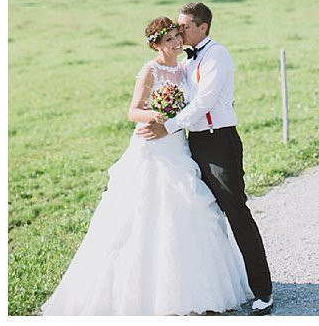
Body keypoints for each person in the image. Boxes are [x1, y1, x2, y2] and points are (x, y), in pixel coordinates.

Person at [41, 18, 252, 316]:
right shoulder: (150, 70)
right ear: (156, 44)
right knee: (146, 211)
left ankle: (199, 288)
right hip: (153, 146)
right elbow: (132, 111)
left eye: (179, 36)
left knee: (191, 207)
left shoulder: (186, 68)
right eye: (170, 40)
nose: (177, 43)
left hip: (178, 147)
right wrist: (157, 114)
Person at [137, 2, 274, 316]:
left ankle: (263, 291)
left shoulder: (217, 55)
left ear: (203, 28)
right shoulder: (184, 62)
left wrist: (167, 127)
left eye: (184, 27)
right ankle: (211, 288)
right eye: (177, 28)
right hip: (192, 143)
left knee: (236, 212)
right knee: (202, 215)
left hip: (219, 142)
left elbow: (203, 102)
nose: (179, 31)